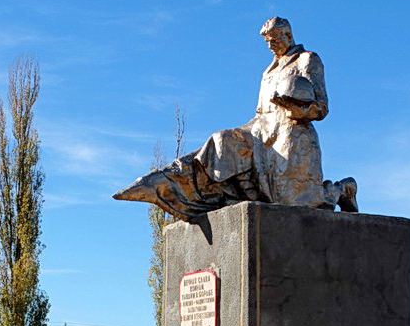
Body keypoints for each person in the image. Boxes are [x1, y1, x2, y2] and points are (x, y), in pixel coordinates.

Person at [115, 17, 357, 219]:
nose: (271, 46)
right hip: (262, 129)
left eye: (274, 40)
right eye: (267, 42)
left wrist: (294, 107)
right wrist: (241, 133)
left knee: (297, 204)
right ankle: (211, 193)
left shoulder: (308, 60)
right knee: (222, 141)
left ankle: (341, 190)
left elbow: (321, 108)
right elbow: (259, 114)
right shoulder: (268, 72)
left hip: (292, 131)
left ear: (288, 35)